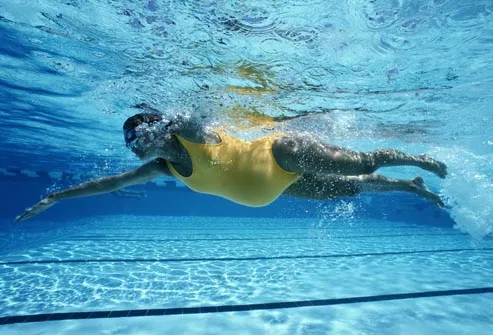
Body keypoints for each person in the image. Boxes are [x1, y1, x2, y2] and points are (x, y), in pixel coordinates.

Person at [15, 107, 447, 222]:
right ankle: (408, 185)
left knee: (358, 165)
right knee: (349, 189)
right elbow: (109, 184)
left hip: (282, 153)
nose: (132, 145)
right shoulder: (162, 168)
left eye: (137, 134)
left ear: (158, 130)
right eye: (129, 140)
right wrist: (56, 196)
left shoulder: (191, 134)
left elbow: (195, 112)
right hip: (278, 186)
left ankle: (418, 160)